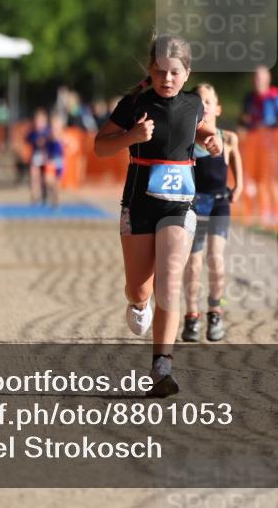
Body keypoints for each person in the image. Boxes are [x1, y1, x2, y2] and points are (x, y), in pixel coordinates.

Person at [94, 34, 222, 397]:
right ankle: (138, 303)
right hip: (139, 205)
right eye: (160, 71)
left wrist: (215, 141)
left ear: (187, 73)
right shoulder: (134, 104)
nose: (167, 79)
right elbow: (100, 146)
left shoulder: (195, 104)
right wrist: (132, 135)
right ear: (150, 72)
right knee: (139, 288)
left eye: (174, 73)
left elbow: (207, 132)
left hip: (180, 205)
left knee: (169, 279)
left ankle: (161, 366)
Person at [182, 83, 243, 343]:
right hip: (195, 205)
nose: (203, 106)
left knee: (216, 260)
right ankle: (192, 316)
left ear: (217, 108)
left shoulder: (228, 138)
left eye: (208, 101)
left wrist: (239, 184)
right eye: (198, 101)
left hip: (219, 203)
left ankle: (215, 311)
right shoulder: (187, 139)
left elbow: (236, 159)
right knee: (193, 264)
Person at [239, 66, 278, 226]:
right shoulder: (249, 98)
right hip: (253, 147)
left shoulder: (276, 98)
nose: (257, 81)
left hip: (272, 146)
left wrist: (268, 127)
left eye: (260, 78)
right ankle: (262, 212)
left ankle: (276, 214)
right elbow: (243, 120)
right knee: (256, 180)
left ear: (268, 79)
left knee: (272, 180)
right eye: (255, 78)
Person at [26, 108, 54, 204]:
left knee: (45, 178)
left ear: (45, 121)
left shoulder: (49, 132)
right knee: (34, 176)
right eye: (37, 120)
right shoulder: (33, 132)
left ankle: (45, 194)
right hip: (36, 157)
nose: (39, 123)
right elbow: (27, 140)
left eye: (41, 121)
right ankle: (34, 196)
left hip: (46, 158)